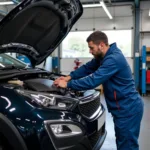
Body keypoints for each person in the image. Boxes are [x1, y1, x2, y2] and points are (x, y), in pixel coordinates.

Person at [54, 31, 144, 150]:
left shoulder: (113, 59)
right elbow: (87, 68)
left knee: (127, 146)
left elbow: (93, 81)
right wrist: (69, 76)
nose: (90, 51)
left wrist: (67, 84)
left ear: (101, 45)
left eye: (91, 48)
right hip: (121, 107)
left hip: (128, 108)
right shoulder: (103, 56)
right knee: (123, 142)